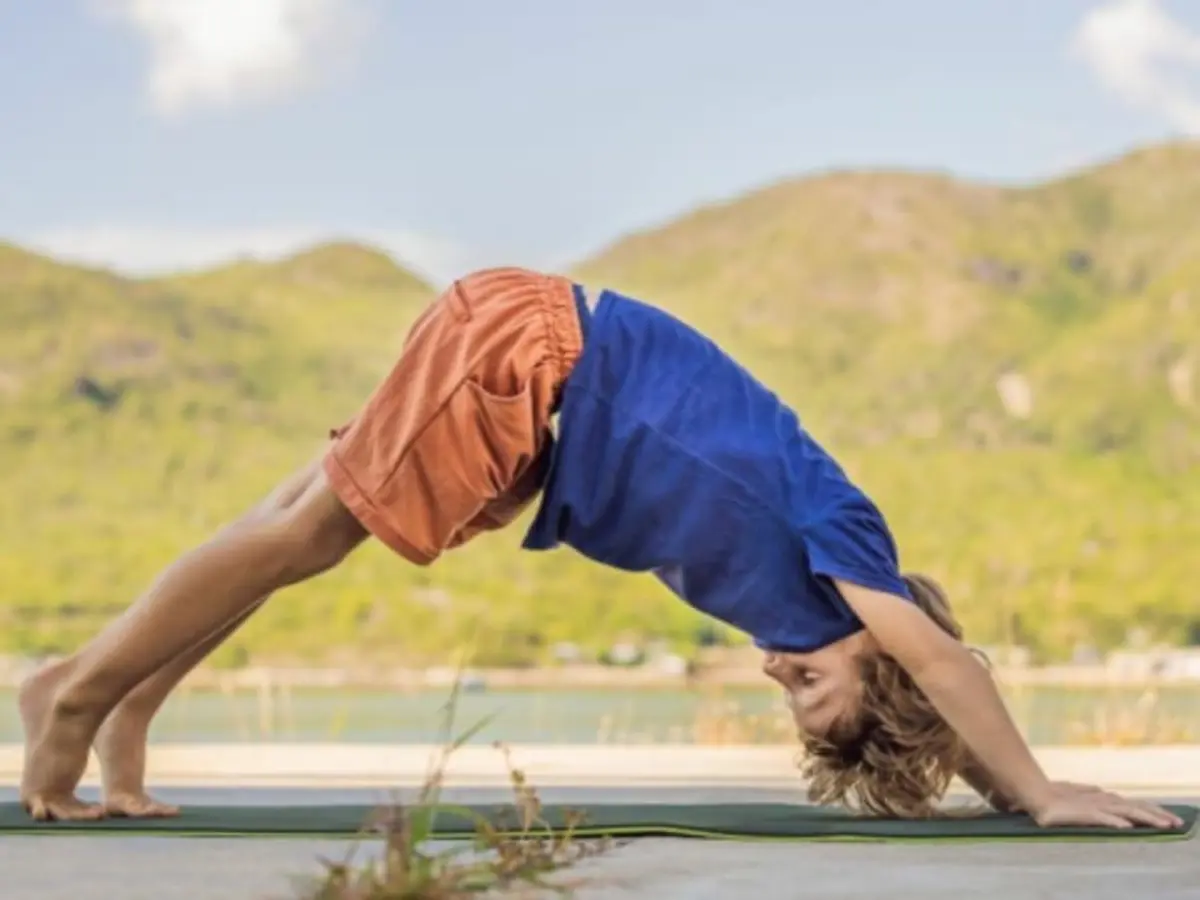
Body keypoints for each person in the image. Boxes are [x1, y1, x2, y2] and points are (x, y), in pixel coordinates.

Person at [19, 267, 1182, 830]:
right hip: (541, 361)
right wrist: (1037, 794)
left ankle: (126, 705)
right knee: (309, 535)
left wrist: (983, 785)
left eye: (792, 700)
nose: (784, 675)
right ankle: (76, 698)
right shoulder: (849, 552)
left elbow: (922, 703)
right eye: (815, 682)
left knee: (303, 529)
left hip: (542, 405)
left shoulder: (812, 608)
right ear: (875, 644)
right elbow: (943, 670)